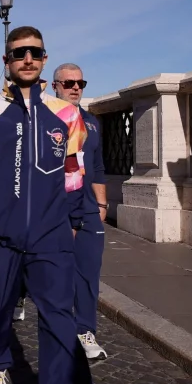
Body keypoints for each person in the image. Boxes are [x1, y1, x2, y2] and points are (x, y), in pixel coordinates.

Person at [0, 26, 91, 384]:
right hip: (1, 232)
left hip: (52, 234)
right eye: (18, 53)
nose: (27, 59)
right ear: (6, 60)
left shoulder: (67, 114)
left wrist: (72, 220)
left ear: (44, 59)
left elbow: (74, 171)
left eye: (35, 53)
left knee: (59, 314)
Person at [52, 62, 109, 360]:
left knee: (88, 270)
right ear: (55, 86)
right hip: (53, 208)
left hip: (87, 207)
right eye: (69, 83)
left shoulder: (92, 122)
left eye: (80, 83)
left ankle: (85, 330)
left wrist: (102, 205)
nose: (75, 88)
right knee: (54, 273)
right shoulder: (44, 120)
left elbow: (98, 167)